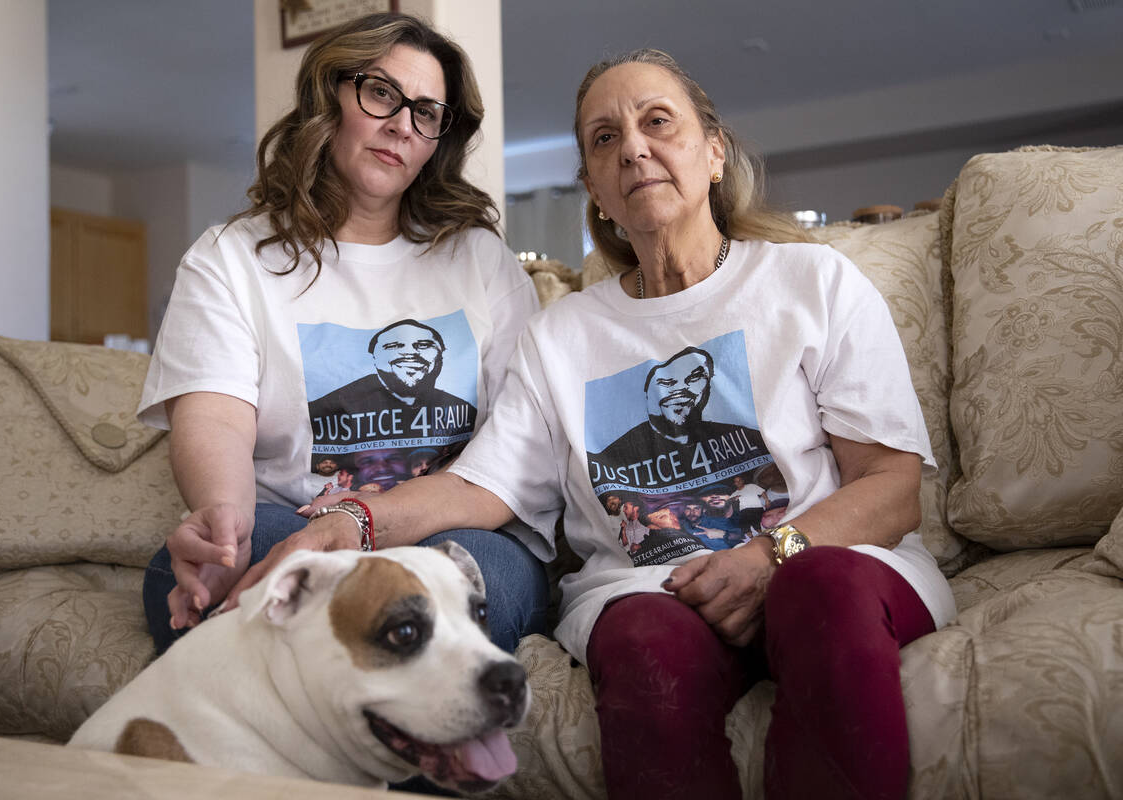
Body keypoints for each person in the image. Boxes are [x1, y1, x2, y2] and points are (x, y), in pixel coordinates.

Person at [220, 48, 957, 800]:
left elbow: (893, 489)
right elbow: (484, 487)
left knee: (819, 588)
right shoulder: (562, 336)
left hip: (822, 564)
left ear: (713, 154)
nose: (634, 146)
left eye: (657, 122)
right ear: (595, 190)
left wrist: (771, 556)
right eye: (604, 138)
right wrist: (353, 518)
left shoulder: (812, 283)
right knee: (642, 637)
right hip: (655, 588)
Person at [137, 13, 548, 660]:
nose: (401, 126)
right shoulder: (232, 259)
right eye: (381, 93)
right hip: (292, 518)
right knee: (183, 573)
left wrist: (363, 523)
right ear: (329, 97)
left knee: (477, 584)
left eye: (426, 112)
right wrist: (225, 524)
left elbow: (518, 452)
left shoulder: (479, 261)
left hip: (454, 529)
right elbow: (215, 419)